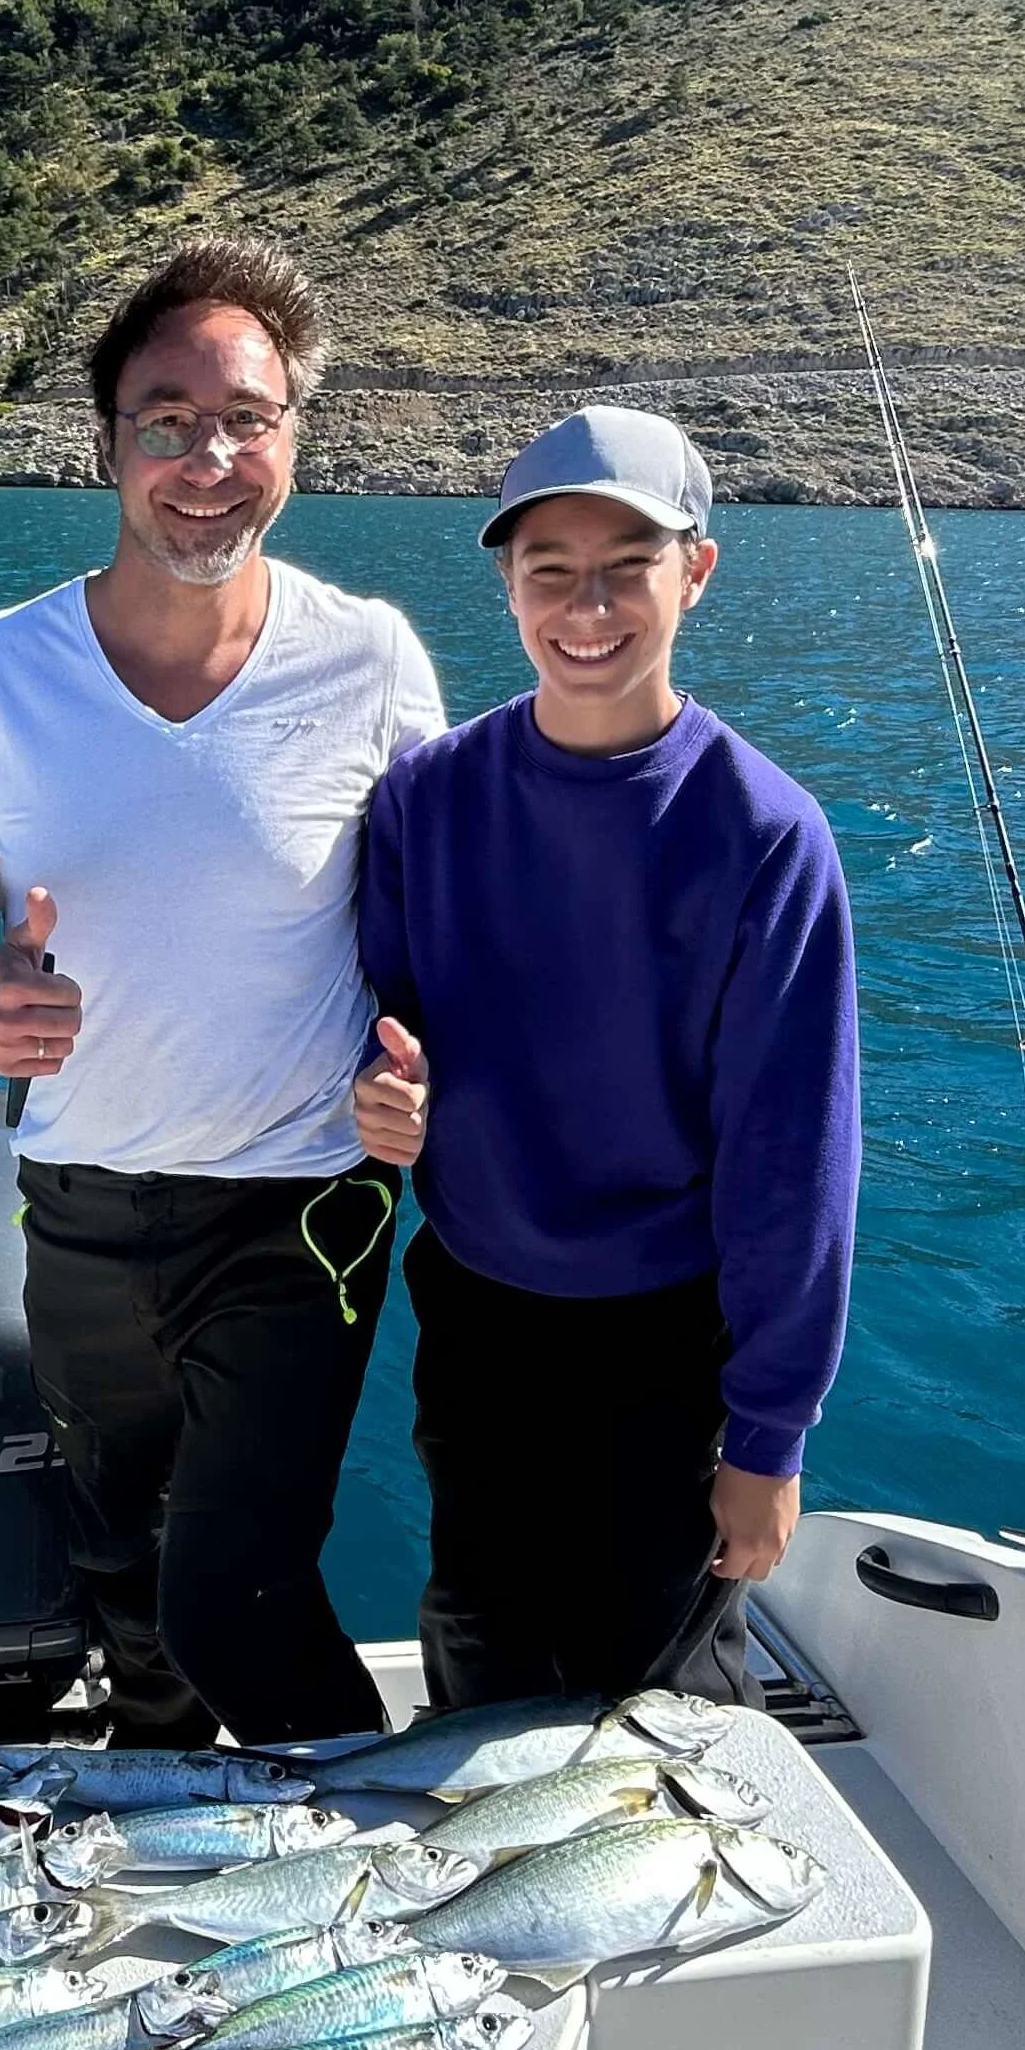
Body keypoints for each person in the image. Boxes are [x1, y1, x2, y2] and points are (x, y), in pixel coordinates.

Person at [0, 236, 446, 1746]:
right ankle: (156, 1798)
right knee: (118, 1567)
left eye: (247, 419)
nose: (209, 461)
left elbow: (445, 940)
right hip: (75, 1194)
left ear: (295, 440)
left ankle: (392, 1849)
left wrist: (422, 1070)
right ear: (108, 443)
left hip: (300, 1207)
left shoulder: (371, 662)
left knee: (237, 1590)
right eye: (169, 421)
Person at [349, 405, 858, 1707]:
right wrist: (386, 1095)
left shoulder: (768, 837)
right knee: (479, 1643)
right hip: (478, 1314)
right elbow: (386, 1024)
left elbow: (793, 1167)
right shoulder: (425, 798)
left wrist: (767, 1439)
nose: (586, 607)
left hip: (669, 1341)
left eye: (628, 566)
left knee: (655, 1700)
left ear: (696, 572)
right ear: (508, 583)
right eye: (551, 569)